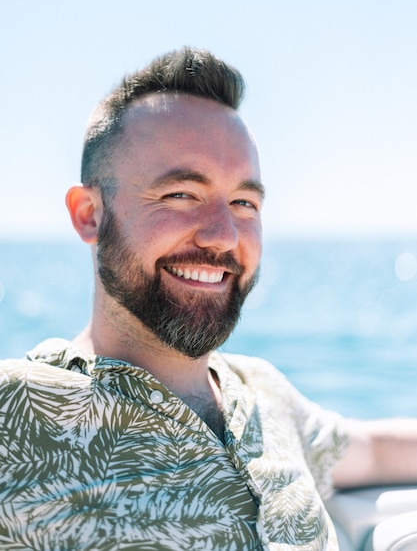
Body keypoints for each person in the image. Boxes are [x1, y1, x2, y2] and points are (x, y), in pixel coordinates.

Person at [0, 47, 416, 551]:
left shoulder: (265, 394)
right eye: (181, 194)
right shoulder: (17, 409)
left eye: (244, 203)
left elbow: (372, 452)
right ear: (89, 213)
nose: (222, 235)